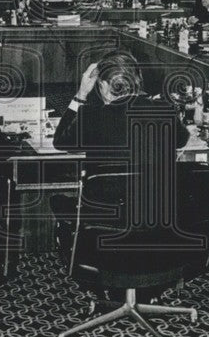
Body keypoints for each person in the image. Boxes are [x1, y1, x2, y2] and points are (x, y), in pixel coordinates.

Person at [51, 52, 190, 265]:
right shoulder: (165, 111)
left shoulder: (91, 116)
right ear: (137, 80)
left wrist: (81, 94)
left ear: (104, 86)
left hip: (104, 218)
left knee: (59, 200)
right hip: (157, 219)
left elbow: (59, 142)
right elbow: (182, 139)